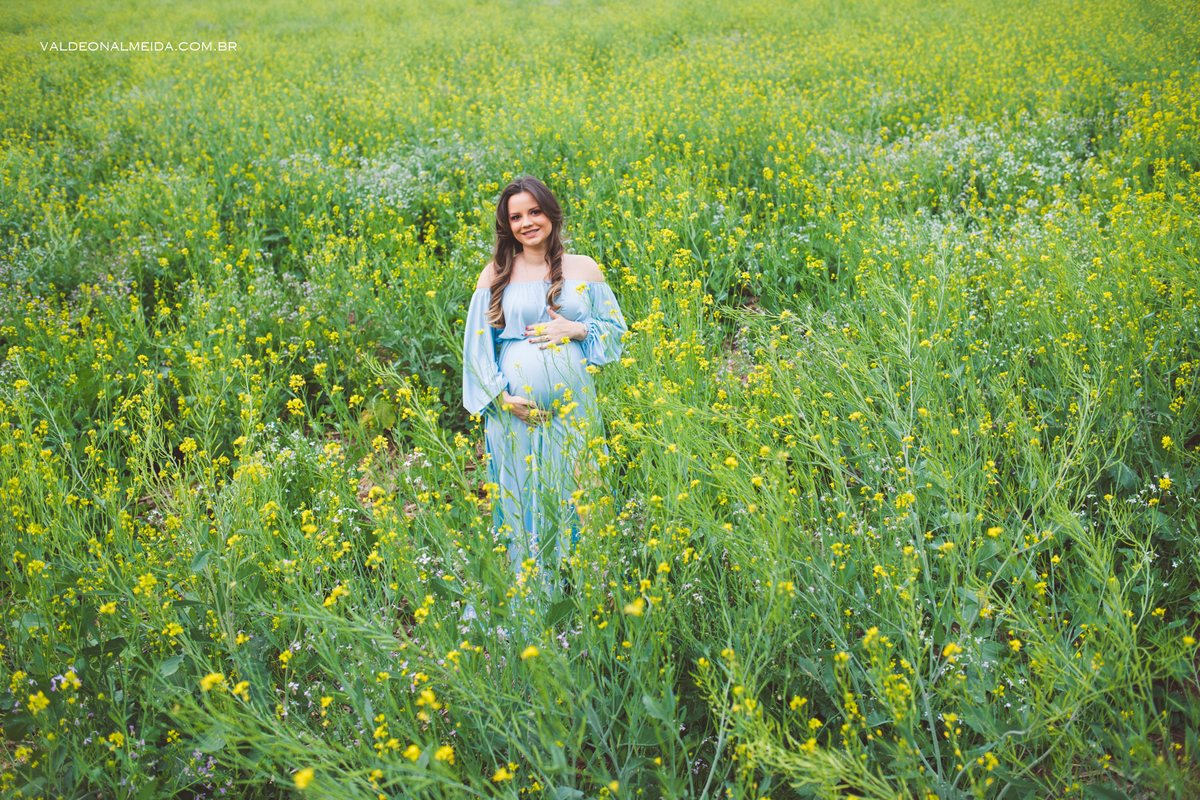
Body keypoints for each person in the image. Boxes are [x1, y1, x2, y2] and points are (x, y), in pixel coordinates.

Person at [461, 175, 627, 620]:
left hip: (574, 412)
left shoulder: (584, 268)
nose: (526, 222)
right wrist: (500, 398)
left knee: (579, 496)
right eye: (516, 217)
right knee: (522, 501)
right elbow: (478, 349)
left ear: (551, 213)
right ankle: (531, 603)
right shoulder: (495, 273)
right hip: (516, 415)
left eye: (534, 212)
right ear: (507, 225)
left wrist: (576, 328)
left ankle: (587, 602)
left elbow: (615, 336)